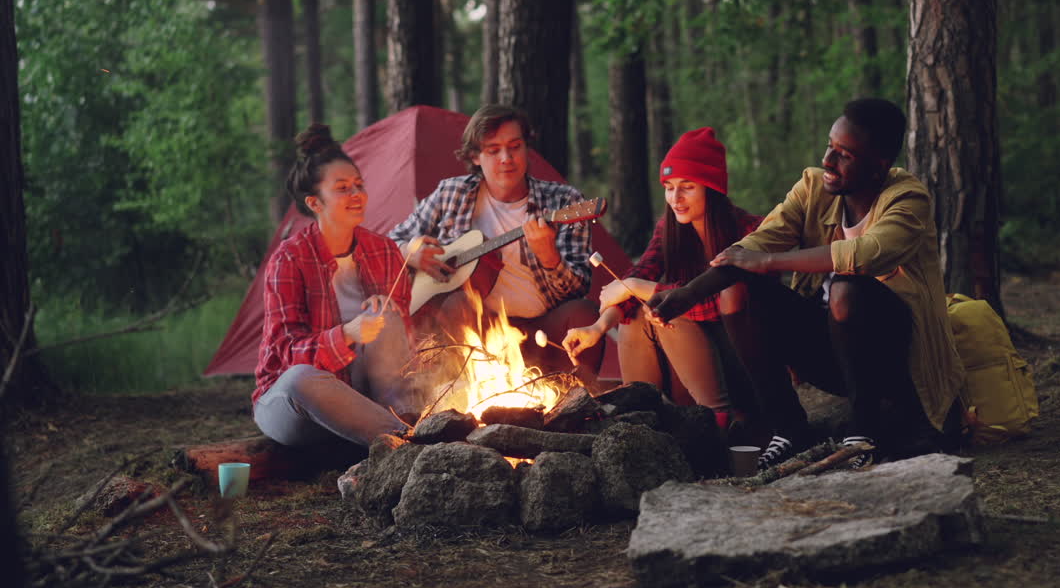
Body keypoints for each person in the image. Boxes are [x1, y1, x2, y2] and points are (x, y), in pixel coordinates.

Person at [649, 98, 966, 470]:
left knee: (847, 288)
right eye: (830, 147)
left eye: (844, 155)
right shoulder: (813, 188)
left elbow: (863, 253)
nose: (829, 161)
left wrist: (768, 261)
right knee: (737, 288)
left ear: (879, 165)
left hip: (896, 359)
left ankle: (862, 432)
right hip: (833, 353)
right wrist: (685, 296)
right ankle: (787, 428)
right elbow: (752, 247)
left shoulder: (908, 199)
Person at [388, 104, 603, 384]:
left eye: (515, 146)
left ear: (527, 149)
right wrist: (411, 253)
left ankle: (577, 405)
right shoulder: (452, 193)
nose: (506, 158)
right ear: (475, 156)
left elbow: (579, 287)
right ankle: (474, 399)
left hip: (544, 332)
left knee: (584, 314)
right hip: (477, 330)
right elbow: (391, 242)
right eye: (493, 150)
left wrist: (549, 257)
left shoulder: (564, 202)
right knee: (457, 304)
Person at [562, 128, 760, 421]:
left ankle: (723, 426)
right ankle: (640, 420)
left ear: (712, 187)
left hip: (744, 371)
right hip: (686, 371)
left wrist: (636, 286)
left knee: (669, 307)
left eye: (687, 186)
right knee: (640, 313)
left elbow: (715, 303)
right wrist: (599, 328)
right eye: (669, 186)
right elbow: (641, 275)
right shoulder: (670, 228)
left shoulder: (750, 233)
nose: (675, 198)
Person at [254, 125, 422, 447]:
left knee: (388, 317)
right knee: (300, 379)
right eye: (342, 188)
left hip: (365, 402)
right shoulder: (289, 258)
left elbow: (401, 350)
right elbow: (287, 355)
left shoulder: (384, 250)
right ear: (315, 203)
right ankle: (410, 443)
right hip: (296, 405)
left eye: (359, 185)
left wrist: (388, 316)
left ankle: (400, 429)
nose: (356, 194)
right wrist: (347, 334)